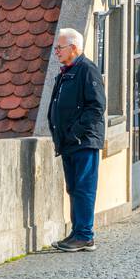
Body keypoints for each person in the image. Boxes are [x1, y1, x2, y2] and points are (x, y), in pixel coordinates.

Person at [47, 28, 105, 252]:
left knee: (83, 188)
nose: (56, 52)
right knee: (74, 188)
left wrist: (74, 132)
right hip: (70, 142)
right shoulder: (68, 71)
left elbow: (96, 107)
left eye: (59, 48)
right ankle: (77, 232)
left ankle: (85, 235)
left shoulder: (87, 70)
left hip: (83, 141)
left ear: (73, 48)